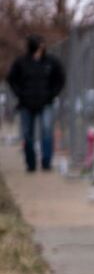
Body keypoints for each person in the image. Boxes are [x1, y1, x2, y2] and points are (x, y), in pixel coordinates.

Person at [5, 35, 65, 172]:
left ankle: (46, 162)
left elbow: (60, 78)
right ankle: (30, 163)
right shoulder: (21, 62)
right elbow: (12, 79)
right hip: (26, 103)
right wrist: (20, 94)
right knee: (27, 134)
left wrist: (52, 94)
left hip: (46, 102)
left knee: (47, 131)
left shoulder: (51, 62)